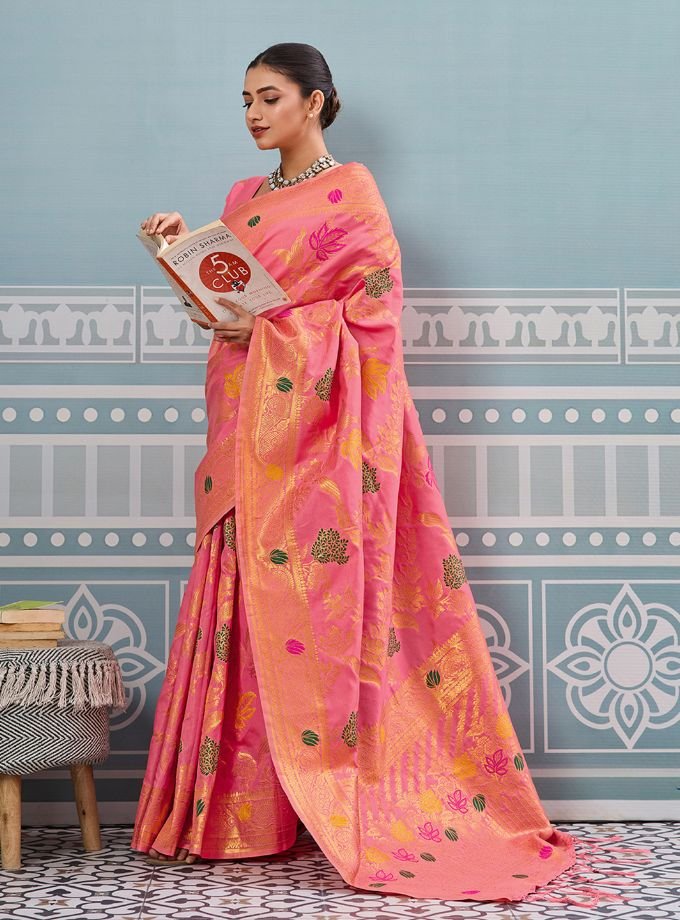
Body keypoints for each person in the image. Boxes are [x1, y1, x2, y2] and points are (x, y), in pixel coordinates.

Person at [131, 42, 576, 900]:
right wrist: (177, 254)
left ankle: (344, 796)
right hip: (243, 418)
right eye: (245, 100)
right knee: (241, 589)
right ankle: (235, 815)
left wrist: (273, 331)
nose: (253, 114)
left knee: (312, 597)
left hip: (315, 439)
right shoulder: (241, 199)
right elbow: (225, 314)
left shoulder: (353, 193)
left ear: (315, 102)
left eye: (270, 97)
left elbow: (372, 312)